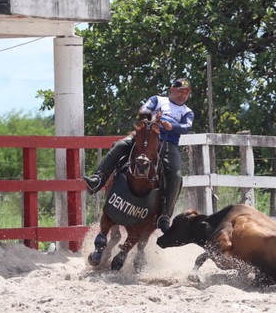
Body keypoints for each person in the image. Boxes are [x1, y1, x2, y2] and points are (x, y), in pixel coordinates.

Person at [83, 77, 194, 232]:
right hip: (146, 136)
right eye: (181, 91)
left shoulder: (187, 111)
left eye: (186, 93)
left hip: (168, 143)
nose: (183, 95)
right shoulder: (158, 100)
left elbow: (186, 127)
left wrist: (172, 125)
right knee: (120, 145)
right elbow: (144, 108)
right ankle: (98, 179)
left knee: (175, 175)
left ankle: (164, 215)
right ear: (172, 90)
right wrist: (150, 117)